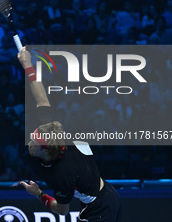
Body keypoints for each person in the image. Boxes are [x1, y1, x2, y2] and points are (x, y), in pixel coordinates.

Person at [18, 47, 121, 222]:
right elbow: (41, 97)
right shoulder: (53, 133)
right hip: (106, 194)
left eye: (34, 142)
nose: (29, 142)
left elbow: (62, 210)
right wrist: (27, 64)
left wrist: (38, 194)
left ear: (47, 150)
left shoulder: (61, 174)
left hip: (100, 210)